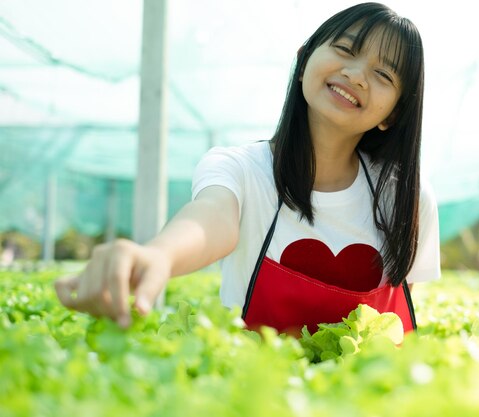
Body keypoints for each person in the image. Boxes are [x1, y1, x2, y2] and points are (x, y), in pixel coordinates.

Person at [55, 2, 441, 334]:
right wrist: (160, 255)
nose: (356, 75)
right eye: (345, 49)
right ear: (304, 61)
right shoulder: (240, 169)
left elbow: (394, 326)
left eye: (383, 74)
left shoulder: (405, 198)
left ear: (393, 114)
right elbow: (212, 220)